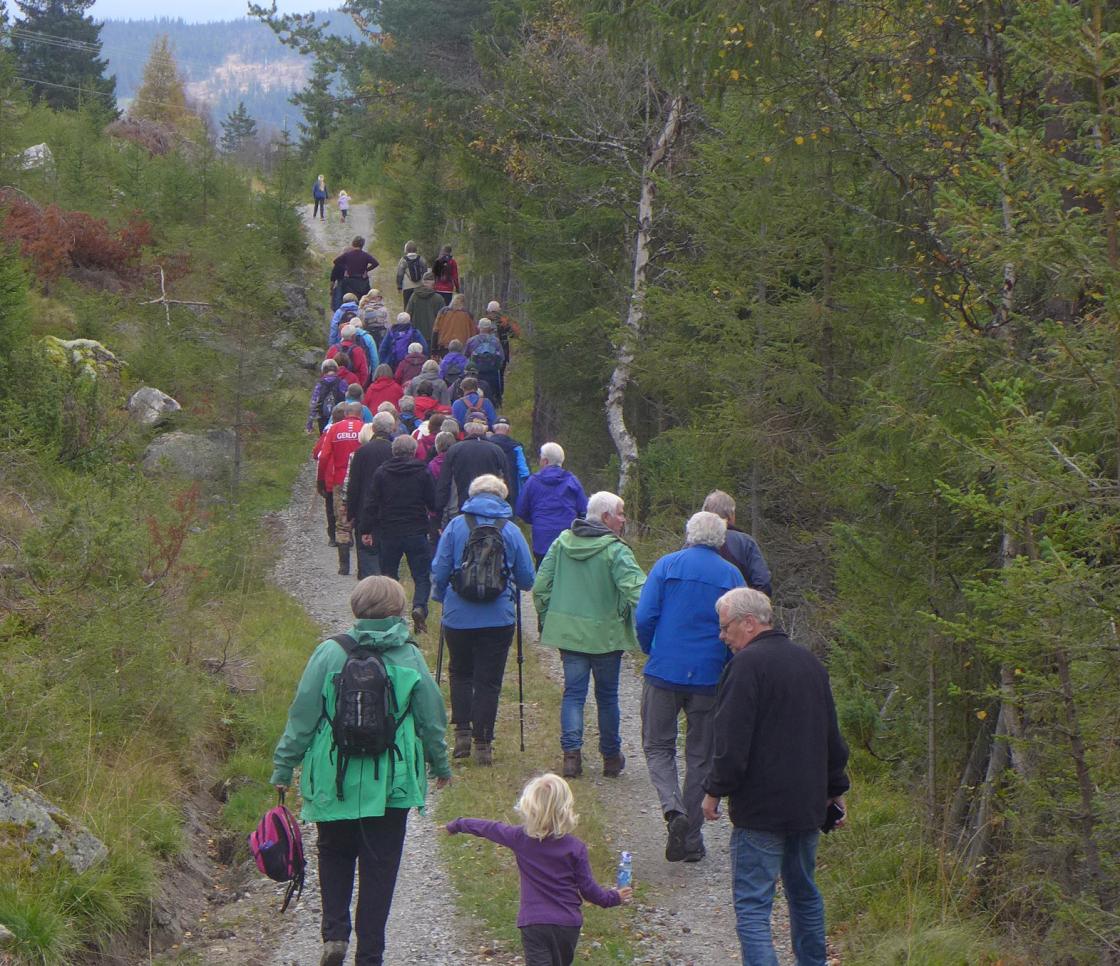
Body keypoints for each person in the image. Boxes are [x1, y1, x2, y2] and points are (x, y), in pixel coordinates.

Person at [271, 576, 452, 966]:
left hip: (333, 777)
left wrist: (284, 766)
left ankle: (335, 934)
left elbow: (302, 716)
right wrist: (440, 764)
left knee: (334, 853)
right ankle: (370, 954)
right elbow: (431, 718)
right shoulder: (409, 657)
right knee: (380, 869)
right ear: (398, 611)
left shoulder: (329, 653)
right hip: (390, 783)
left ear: (356, 609)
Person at [703, 588, 849, 966]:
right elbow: (830, 734)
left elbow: (731, 739)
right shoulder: (810, 663)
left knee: (753, 905)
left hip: (760, 809)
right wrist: (836, 787)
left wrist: (715, 790)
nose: (722, 635)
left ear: (749, 623)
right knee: (804, 894)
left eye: (726, 627)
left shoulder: (745, 667)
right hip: (807, 805)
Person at [636, 511, 746, 864]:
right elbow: (740, 624)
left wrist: (650, 648)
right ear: (721, 539)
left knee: (658, 746)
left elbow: (645, 615)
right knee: (700, 756)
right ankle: (693, 838)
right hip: (709, 677)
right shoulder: (731, 575)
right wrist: (726, 662)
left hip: (664, 669)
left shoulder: (667, 565)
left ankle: (673, 811)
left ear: (689, 534)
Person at [445, 774, 630, 966]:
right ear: (566, 809)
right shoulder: (576, 847)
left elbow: (488, 828)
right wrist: (613, 897)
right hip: (567, 924)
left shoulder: (520, 838)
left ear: (528, 807)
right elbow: (588, 890)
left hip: (534, 923)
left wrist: (457, 825)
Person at [533, 491, 646, 780]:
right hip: (607, 635)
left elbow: (541, 586)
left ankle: (571, 757)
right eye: (620, 513)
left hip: (570, 635)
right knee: (607, 696)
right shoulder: (616, 550)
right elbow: (638, 591)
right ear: (606, 517)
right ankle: (611, 757)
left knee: (574, 694)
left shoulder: (562, 543)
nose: (624, 519)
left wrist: (548, 619)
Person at [431, 474, 535, 765]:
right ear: (501, 497)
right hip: (498, 618)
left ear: (472, 495)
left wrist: (440, 597)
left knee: (460, 672)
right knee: (489, 681)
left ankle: (462, 732)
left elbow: (439, 568)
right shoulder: (510, 530)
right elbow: (527, 579)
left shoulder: (455, 526)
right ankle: (483, 744)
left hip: (458, 616)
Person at [366, 434, 436, 633]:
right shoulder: (422, 471)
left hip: (389, 532)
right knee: (421, 575)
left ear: (393, 451)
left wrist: (366, 528)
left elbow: (372, 502)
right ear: (413, 451)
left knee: (389, 576)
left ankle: (392, 615)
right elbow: (432, 502)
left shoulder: (382, 472)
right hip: (417, 531)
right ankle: (419, 607)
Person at [516, 443, 588, 566]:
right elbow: (584, 510)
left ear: (545, 461)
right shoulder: (572, 480)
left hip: (542, 540)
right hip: (567, 539)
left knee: (543, 572)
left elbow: (521, 510)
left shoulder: (532, 482)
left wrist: (536, 519)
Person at [318, 402, 366, 575]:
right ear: (361, 414)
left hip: (340, 481)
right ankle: (362, 568)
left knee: (343, 523)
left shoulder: (334, 429)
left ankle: (344, 566)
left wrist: (321, 480)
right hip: (361, 482)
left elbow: (323, 457)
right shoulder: (366, 429)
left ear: (345, 414)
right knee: (361, 522)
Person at [350, 411, 397, 578]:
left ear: (374, 428)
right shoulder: (394, 451)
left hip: (364, 509)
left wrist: (351, 512)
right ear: (392, 428)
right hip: (390, 511)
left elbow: (354, 484)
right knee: (387, 556)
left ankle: (368, 584)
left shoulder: (362, 452)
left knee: (366, 552)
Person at [435, 415, 510, 519]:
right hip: (491, 510)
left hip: (461, 510)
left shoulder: (455, 450)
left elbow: (445, 482)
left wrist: (439, 510)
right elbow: (505, 481)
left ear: (466, 428)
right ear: (485, 429)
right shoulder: (497, 450)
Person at [700, 490, 773, 596]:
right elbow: (763, 583)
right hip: (735, 604)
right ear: (730, 515)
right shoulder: (745, 542)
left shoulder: (693, 542)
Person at [488, 416, 530, 509]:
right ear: (508, 429)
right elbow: (524, 471)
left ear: (494, 428)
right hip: (511, 486)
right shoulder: (516, 446)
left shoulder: (487, 445)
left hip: (490, 484)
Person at [465, 318, 506, 406]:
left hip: (477, 372)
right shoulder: (496, 341)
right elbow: (502, 358)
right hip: (492, 372)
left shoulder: (471, 341)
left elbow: (465, 357)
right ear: (490, 328)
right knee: (493, 391)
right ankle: (495, 404)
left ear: (479, 327)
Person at [331, 236, 379, 311]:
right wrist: (366, 270)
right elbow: (375, 263)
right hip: (362, 281)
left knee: (348, 299)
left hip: (349, 281)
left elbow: (335, 261)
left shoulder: (348, 254)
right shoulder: (365, 255)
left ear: (353, 243)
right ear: (362, 245)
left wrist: (346, 268)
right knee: (364, 300)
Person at [308, 358, 349, 434]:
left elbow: (314, 404)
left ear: (323, 370)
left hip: (323, 417)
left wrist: (310, 423)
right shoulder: (342, 383)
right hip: (339, 417)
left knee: (324, 436)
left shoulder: (320, 384)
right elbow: (348, 401)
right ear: (336, 369)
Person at [406, 270, 445, 346]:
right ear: (433, 282)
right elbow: (443, 318)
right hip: (432, 334)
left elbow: (407, 314)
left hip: (416, 333)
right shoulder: (438, 298)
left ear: (423, 282)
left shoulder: (414, 296)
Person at [486, 299, 521, 383]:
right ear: (498, 310)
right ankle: (499, 390)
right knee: (500, 376)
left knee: (488, 375)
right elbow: (514, 334)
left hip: (487, 353)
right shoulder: (503, 321)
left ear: (488, 311)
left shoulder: (484, 322)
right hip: (501, 353)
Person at [396, 241, 427, 310]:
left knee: (407, 307)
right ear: (416, 249)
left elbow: (400, 274)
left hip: (407, 287)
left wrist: (399, 287)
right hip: (419, 286)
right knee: (419, 307)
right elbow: (425, 272)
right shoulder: (421, 258)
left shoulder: (403, 260)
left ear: (406, 249)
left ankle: (408, 317)